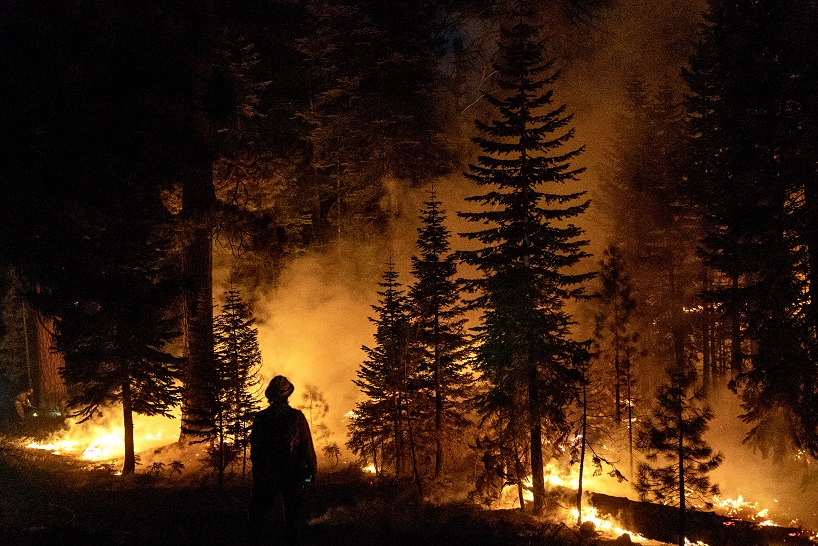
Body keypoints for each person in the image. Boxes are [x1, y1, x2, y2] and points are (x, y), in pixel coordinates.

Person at [249, 376, 317, 545]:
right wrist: (310, 473)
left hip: (267, 475)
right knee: (292, 522)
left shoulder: (261, 418)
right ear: (288, 395)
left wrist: (258, 473)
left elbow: (255, 449)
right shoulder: (296, 417)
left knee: (257, 520)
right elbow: (307, 447)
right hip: (292, 475)